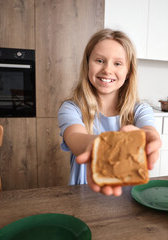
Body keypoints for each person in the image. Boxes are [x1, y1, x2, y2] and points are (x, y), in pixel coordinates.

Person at [58, 28, 161, 197]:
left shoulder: (141, 110)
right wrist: (108, 146)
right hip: (83, 194)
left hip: (128, 197)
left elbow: (148, 130)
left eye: (117, 63)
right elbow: (76, 138)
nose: (107, 69)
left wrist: (149, 138)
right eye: (99, 60)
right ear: (87, 64)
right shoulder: (71, 108)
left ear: (128, 72)